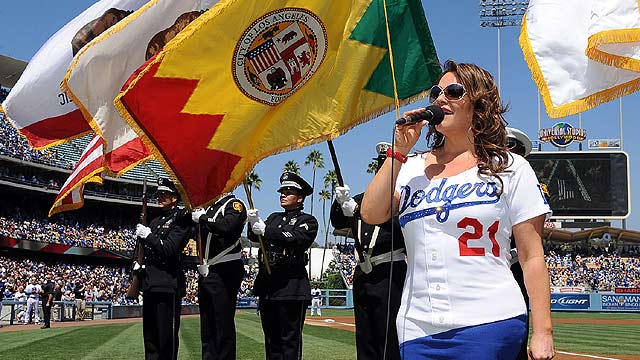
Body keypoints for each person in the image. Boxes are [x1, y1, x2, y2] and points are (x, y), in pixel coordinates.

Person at [360, 60, 555, 360]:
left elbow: (531, 256)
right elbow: (371, 214)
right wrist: (399, 151)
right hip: (417, 327)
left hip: (490, 320)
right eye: (436, 92)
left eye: (453, 91)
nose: (440, 98)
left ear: (479, 103)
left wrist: (543, 331)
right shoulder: (411, 167)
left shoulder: (510, 167)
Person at [330, 142, 407, 360]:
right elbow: (337, 221)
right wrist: (340, 202)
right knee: (365, 334)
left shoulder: (404, 198)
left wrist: (358, 213)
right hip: (364, 270)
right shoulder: (363, 198)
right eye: (379, 167)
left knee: (388, 334)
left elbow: (400, 229)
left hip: (390, 270)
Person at [248, 172, 319, 360]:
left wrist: (265, 230)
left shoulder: (308, 221)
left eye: (289, 192)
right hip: (268, 286)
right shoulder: (274, 218)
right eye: (282, 191)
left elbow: (297, 238)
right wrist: (252, 223)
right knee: (271, 341)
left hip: (291, 287)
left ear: (300, 197)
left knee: (289, 342)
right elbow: (254, 236)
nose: (283, 195)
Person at [135, 177, 192, 360]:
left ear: (174, 198)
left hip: (167, 284)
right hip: (150, 283)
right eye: (158, 194)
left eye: (164, 194)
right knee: (150, 338)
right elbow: (146, 249)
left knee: (166, 337)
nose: (159, 197)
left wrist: (148, 236)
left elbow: (169, 249)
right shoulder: (155, 221)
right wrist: (139, 263)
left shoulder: (180, 218)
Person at [191, 192, 247, 360]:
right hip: (208, 271)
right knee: (207, 328)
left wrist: (203, 219)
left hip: (225, 270)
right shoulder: (209, 209)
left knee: (222, 326)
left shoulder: (234, 205)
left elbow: (227, 226)